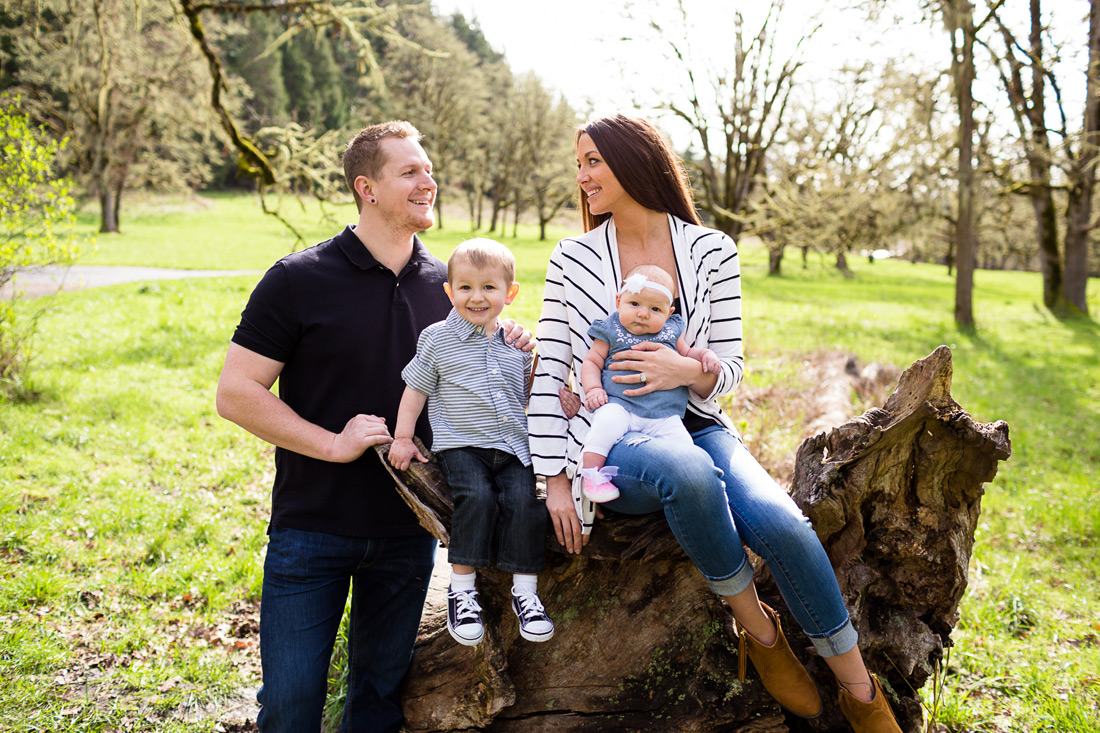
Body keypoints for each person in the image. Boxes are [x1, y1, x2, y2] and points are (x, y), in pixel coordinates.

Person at [528, 114, 902, 732]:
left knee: (782, 521)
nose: (583, 175)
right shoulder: (572, 258)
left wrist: (683, 370)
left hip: (696, 422)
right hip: (615, 441)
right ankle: (759, 632)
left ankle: (862, 695)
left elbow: (729, 367)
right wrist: (556, 480)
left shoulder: (710, 250)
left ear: (635, 161)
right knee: (690, 474)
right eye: (580, 162)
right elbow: (552, 369)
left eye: (593, 160)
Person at [216, 121, 530, 733]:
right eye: (410, 171)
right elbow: (236, 393)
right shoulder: (298, 279)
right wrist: (332, 445)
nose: (428, 181)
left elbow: (489, 402)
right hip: (311, 529)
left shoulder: (454, 290)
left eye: (429, 169)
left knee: (378, 711)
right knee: (289, 709)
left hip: (407, 533)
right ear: (367, 188)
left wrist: (517, 348)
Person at [388, 238, 553, 647]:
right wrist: (404, 437)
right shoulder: (437, 338)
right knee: (476, 497)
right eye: (465, 288)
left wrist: (536, 362)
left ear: (510, 293)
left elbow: (529, 396)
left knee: (524, 501)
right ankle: (462, 590)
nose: (476, 297)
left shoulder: (516, 344)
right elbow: (415, 389)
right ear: (449, 291)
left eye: (489, 288)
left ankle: (526, 592)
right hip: (461, 445)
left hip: (513, 446)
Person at [578, 263, 720, 502]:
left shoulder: (671, 331)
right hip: (621, 405)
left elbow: (688, 353)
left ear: (669, 312)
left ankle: (708, 493)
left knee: (689, 455)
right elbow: (591, 361)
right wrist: (593, 389)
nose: (643, 314)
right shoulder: (611, 328)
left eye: (655, 308)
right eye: (634, 304)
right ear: (618, 301)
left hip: (664, 416)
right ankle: (592, 476)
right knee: (604, 425)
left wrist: (706, 356)